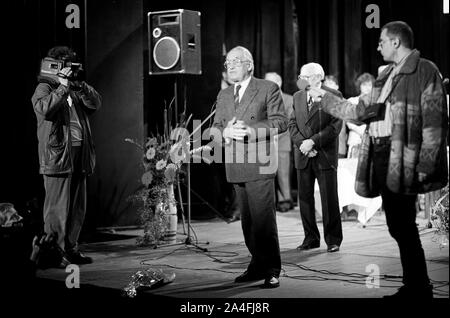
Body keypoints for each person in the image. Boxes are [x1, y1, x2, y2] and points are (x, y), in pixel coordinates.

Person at [309, 21, 448, 298]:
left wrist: (425, 165)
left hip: (406, 159)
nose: (378, 45)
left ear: (396, 42)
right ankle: (416, 285)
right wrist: (325, 98)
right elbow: (359, 110)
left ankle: (419, 288)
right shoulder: (386, 77)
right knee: (397, 225)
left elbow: (434, 123)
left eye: (382, 41)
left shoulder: (424, 70)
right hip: (384, 158)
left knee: (404, 225)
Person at [212, 46, 287, 288]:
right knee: (248, 224)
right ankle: (257, 265)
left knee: (264, 220)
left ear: (250, 65)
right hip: (235, 165)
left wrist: (249, 131)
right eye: (227, 62)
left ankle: (272, 268)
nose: (230, 66)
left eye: (236, 61)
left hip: (259, 162)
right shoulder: (223, 96)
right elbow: (214, 128)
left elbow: (281, 121)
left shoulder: (267, 88)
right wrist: (225, 132)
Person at [31, 46, 102, 267]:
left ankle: (71, 249)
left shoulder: (75, 89)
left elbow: (96, 103)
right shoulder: (44, 87)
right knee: (57, 210)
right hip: (57, 156)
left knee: (77, 208)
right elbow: (43, 109)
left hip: (79, 155)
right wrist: (61, 88)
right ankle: (54, 253)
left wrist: (81, 86)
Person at [289, 63, 343, 253]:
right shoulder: (297, 96)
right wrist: (302, 145)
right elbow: (292, 123)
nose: (300, 79)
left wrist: (312, 142)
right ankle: (310, 238)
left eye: (304, 76)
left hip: (324, 155)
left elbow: (335, 126)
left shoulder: (333, 95)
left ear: (317, 77)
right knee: (304, 199)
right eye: (300, 76)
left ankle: (333, 239)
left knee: (329, 198)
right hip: (303, 154)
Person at [264, 72, 294, 212]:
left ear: (279, 83)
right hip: (266, 142)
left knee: (282, 173)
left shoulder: (288, 99)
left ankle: (285, 200)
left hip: (282, 141)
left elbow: (289, 121)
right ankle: (271, 201)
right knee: (268, 174)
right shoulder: (263, 100)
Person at [346, 73, 376, 158]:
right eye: (364, 85)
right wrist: (362, 131)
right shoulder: (352, 101)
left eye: (369, 85)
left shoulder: (375, 103)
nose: (367, 88)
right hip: (355, 139)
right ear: (359, 86)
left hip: (371, 139)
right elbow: (348, 122)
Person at [324, 75, 348, 158]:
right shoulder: (317, 101)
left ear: (337, 86)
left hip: (338, 146)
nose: (327, 85)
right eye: (325, 83)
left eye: (330, 83)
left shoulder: (343, 102)